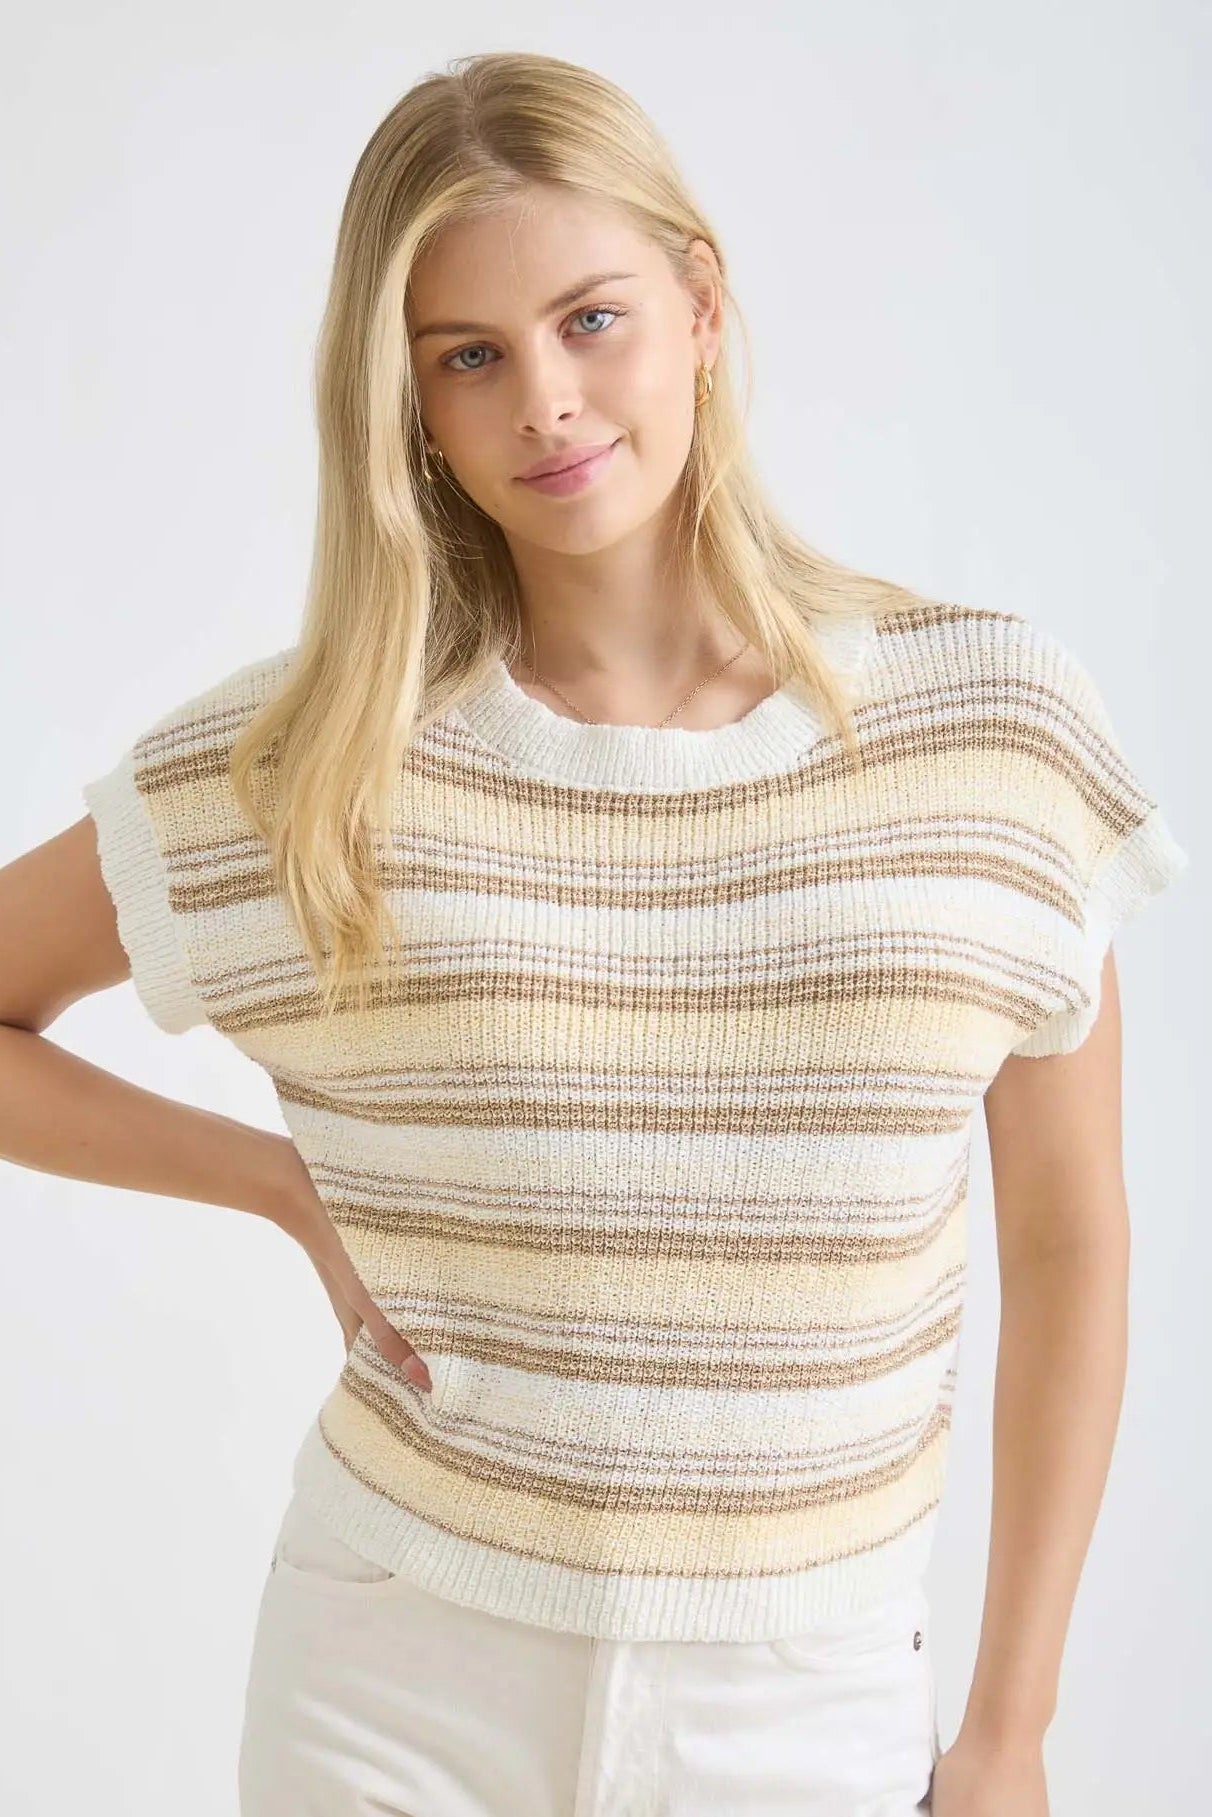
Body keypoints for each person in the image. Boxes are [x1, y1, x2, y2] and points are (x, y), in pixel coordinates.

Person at [0, 48, 1189, 1817]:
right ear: (410, 406)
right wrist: (275, 1182)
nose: (546, 402)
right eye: (468, 355)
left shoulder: (987, 731)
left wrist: (1011, 1728)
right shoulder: (316, 761)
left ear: (702, 307)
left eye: (591, 320)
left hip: (801, 1700)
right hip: (392, 1673)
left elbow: (1074, 1241)